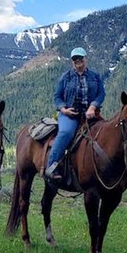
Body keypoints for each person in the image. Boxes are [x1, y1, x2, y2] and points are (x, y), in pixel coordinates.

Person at [45, 47, 105, 182]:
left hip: (90, 114)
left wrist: (93, 106)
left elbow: (101, 94)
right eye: (75, 61)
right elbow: (57, 97)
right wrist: (63, 109)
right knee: (66, 133)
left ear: (86, 60)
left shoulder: (94, 76)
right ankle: (52, 166)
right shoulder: (66, 77)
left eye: (81, 61)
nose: (78, 64)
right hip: (70, 114)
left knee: (105, 134)